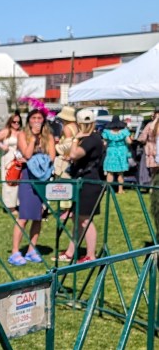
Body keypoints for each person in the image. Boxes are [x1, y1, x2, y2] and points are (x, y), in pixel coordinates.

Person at [8, 109, 55, 266]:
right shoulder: (23, 135)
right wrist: (34, 139)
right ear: (28, 120)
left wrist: (43, 144)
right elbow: (27, 155)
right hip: (28, 177)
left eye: (39, 118)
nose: (36, 121)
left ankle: (31, 249)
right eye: (33, 118)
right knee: (24, 216)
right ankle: (15, 251)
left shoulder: (48, 136)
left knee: (38, 215)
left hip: (43, 177)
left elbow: (53, 156)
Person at [63, 108, 106, 262]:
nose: (85, 126)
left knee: (85, 219)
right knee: (76, 218)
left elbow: (75, 154)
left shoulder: (91, 139)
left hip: (90, 182)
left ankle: (91, 254)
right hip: (83, 180)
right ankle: (70, 252)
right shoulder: (90, 138)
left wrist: (75, 139)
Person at [0, 113, 23, 212]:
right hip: (8, 158)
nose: (16, 124)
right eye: (14, 122)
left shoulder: (21, 132)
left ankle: (17, 203)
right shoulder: (6, 131)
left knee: (18, 182)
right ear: (10, 122)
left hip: (18, 159)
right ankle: (10, 206)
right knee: (9, 181)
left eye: (18, 122)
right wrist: (2, 146)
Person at [102, 116, 131, 193]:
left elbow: (104, 143)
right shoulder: (124, 131)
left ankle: (108, 190)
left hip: (111, 151)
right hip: (121, 151)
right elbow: (129, 141)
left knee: (110, 172)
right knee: (120, 173)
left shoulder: (107, 132)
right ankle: (120, 189)